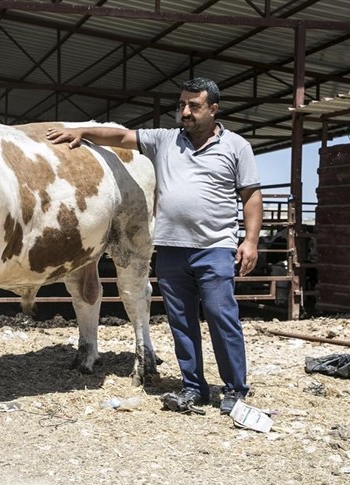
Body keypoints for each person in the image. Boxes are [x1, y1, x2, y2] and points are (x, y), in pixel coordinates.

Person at [46, 77, 263, 415]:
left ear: (214, 109)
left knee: (222, 319)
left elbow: (250, 195)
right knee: (181, 322)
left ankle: (234, 388)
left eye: (194, 106)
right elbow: (120, 136)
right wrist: (82, 132)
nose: (185, 112)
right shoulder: (165, 140)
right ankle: (193, 387)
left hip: (215, 247)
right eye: (182, 105)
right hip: (172, 248)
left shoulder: (236, 147)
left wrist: (250, 241)